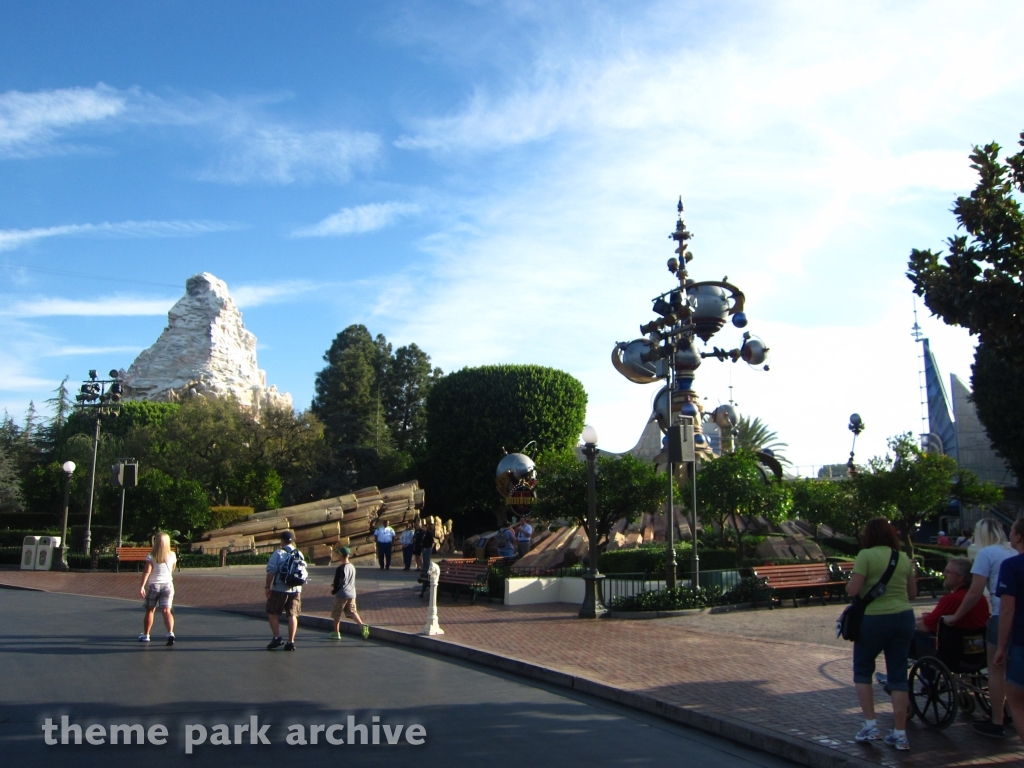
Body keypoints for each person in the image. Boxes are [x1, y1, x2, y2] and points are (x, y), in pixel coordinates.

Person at [847, 518, 917, 751]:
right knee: (898, 675)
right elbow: (912, 593)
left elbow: (854, 589)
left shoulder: (865, 556)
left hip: (875, 619)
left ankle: (870, 725)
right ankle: (900, 733)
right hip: (904, 617)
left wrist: (850, 585)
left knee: (863, 669)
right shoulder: (903, 557)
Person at [943, 518, 1014, 737]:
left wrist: (956, 615)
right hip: (1018, 615)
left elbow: (975, 591)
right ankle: (1015, 712)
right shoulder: (1012, 551)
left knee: (996, 670)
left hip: (1000, 614)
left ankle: (997, 721)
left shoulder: (986, 554)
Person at [910, 557, 988, 657]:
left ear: (960, 578)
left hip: (952, 651)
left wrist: (911, 623)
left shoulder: (951, 599)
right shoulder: (981, 598)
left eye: (948, 571)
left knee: (911, 633)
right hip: (977, 651)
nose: (944, 574)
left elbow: (925, 627)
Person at [993, 518, 1024, 742]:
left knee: (1018, 703)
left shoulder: (1012, 566)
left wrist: (1001, 647)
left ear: (1018, 536)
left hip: (1021, 641)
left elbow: (1006, 610)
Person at [265, 530, 303, 651]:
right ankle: (291, 642)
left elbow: (271, 571)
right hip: (296, 589)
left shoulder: (278, 553)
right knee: (292, 615)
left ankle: (277, 637)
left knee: (273, 612)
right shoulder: (299, 553)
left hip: (280, 588)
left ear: (282, 541)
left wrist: (267, 587)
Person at [139, 532, 176, 645]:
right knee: (166, 611)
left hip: (153, 585)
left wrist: (142, 586)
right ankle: (170, 633)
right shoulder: (172, 555)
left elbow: (147, 572)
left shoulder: (151, 556)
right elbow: (173, 569)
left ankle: (146, 635)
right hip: (167, 585)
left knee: (150, 610)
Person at [329, 547, 370, 640]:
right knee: (353, 611)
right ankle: (362, 626)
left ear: (341, 555)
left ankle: (336, 633)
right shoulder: (352, 567)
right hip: (351, 593)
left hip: (341, 594)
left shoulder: (340, 568)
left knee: (337, 614)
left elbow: (338, 583)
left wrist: (334, 590)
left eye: (338, 554)